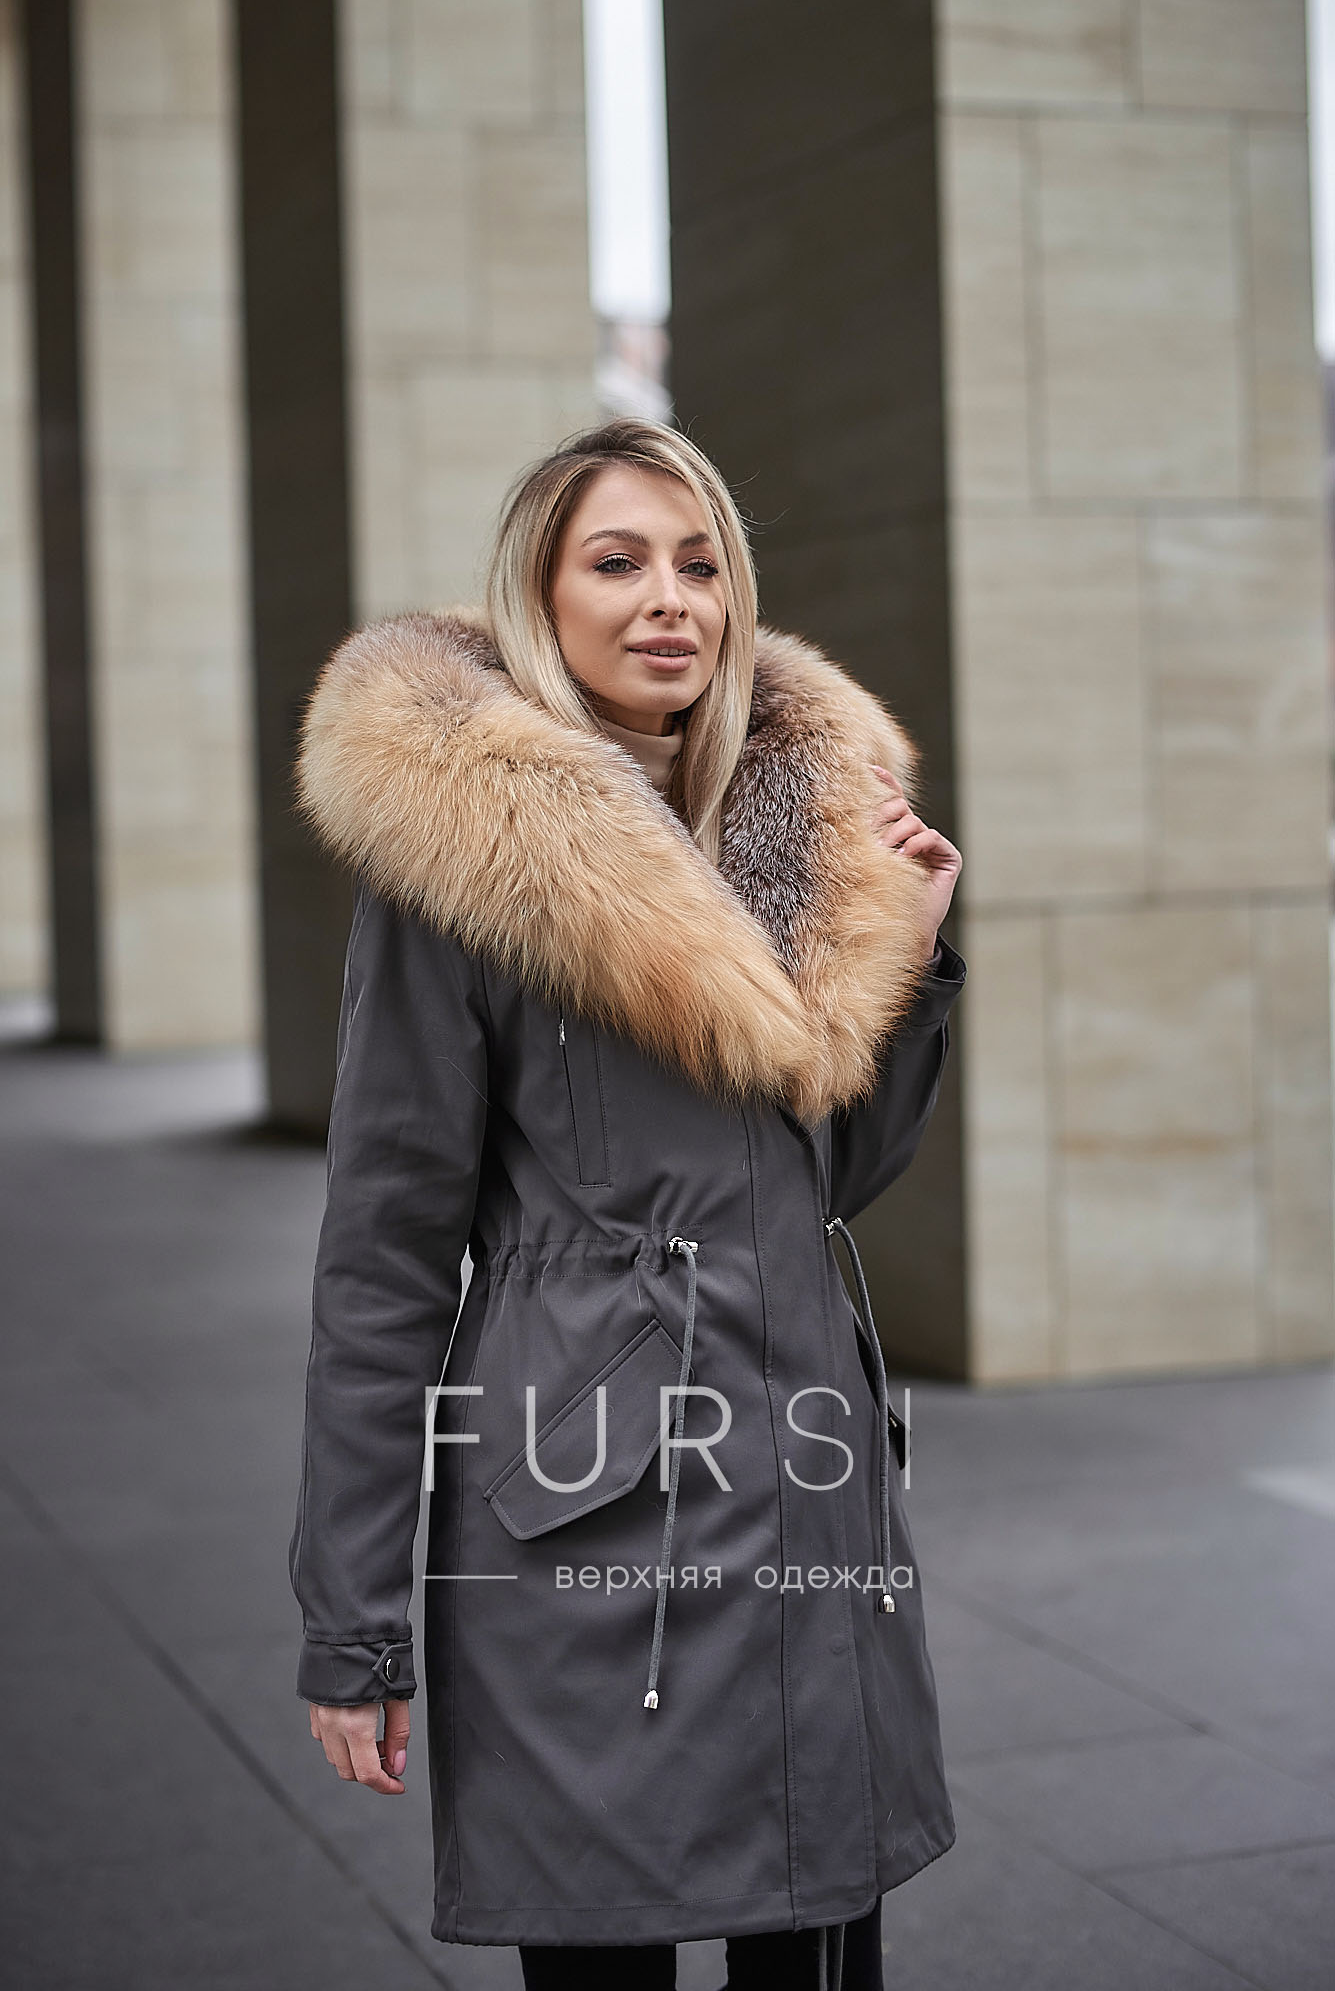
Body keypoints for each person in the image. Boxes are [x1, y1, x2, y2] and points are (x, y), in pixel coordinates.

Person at [289, 418, 966, 1989]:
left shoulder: (801, 830)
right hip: (580, 1504)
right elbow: (383, 1264)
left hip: (801, 1475)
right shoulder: (462, 854)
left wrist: (916, 954)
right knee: (601, 1944)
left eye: (700, 563)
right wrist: (354, 1624)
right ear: (541, 595)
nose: (671, 599)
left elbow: (833, 1180)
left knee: (821, 1943)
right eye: (618, 562)